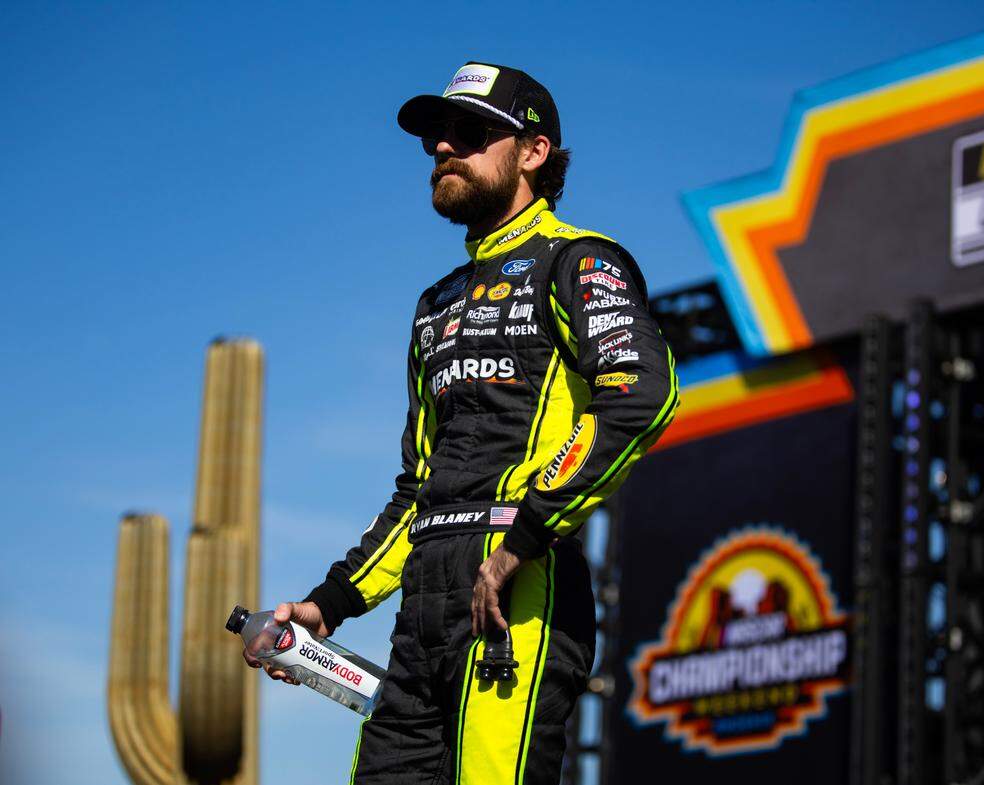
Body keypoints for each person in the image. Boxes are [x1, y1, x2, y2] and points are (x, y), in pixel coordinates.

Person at [245, 61, 679, 784]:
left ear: (533, 152)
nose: (445, 147)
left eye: (471, 133)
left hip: (520, 587)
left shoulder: (578, 261)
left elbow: (640, 396)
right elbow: (418, 489)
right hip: (422, 601)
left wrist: (523, 539)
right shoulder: (436, 303)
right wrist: (331, 604)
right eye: (436, 136)